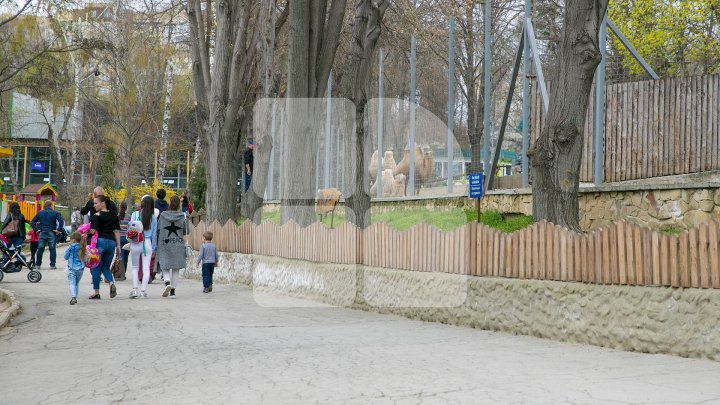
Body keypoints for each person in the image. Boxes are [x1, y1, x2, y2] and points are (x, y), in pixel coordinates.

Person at [88, 195, 120, 300]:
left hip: (100, 242)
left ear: (102, 203)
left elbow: (92, 231)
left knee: (96, 267)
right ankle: (111, 283)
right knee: (106, 267)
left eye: (96, 203)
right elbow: (116, 231)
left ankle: (96, 292)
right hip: (111, 243)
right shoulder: (114, 215)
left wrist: (83, 233)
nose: (94, 205)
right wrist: (118, 245)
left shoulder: (97, 215)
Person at [157, 195, 187, 298]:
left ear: (170, 203)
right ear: (179, 204)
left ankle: (166, 282)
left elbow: (158, 229)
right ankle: (173, 292)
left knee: (164, 265)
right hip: (178, 245)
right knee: (175, 268)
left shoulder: (163, 215)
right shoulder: (182, 216)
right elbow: (186, 231)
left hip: (165, 243)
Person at [128, 195, 157, 299]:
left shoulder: (134, 214)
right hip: (147, 243)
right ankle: (143, 291)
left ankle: (135, 290)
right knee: (146, 268)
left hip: (136, 242)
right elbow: (154, 234)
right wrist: (154, 248)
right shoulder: (153, 218)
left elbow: (130, 229)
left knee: (135, 268)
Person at [30, 200, 64, 270]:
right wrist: (59, 229)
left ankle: (38, 264)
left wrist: (36, 230)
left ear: (44, 206)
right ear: (51, 205)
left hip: (42, 232)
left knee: (40, 249)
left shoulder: (40, 213)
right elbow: (61, 220)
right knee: (52, 249)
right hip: (51, 232)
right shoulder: (55, 213)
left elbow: (32, 222)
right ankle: (52, 265)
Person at [64, 232, 87, 305]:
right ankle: (75, 297)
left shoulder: (71, 247)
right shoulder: (83, 247)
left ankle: (73, 297)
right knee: (76, 283)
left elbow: (65, 257)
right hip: (80, 269)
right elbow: (86, 258)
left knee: (72, 283)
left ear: (73, 240)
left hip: (71, 268)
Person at [117, 201, 131, 277]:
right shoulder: (129, 216)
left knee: (120, 256)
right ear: (126, 208)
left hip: (119, 237)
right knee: (126, 256)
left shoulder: (117, 216)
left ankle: (120, 272)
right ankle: (124, 272)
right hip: (126, 238)